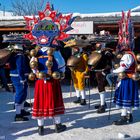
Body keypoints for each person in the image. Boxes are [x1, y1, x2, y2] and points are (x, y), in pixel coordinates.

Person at [30, 46, 67, 136]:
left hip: (40, 81)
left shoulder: (36, 52)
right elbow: (62, 65)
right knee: (55, 101)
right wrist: (61, 73)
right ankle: (58, 126)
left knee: (40, 102)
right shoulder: (55, 52)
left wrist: (38, 74)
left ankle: (40, 128)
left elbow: (33, 67)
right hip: (53, 81)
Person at [112, 45, 139, 125]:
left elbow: (123, 68)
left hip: (127, 79)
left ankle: (124, 117)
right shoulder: (131, 54)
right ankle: (129, 116)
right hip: (130, 79)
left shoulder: (127, 55)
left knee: (125, 97)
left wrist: (113, 71)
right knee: (128, 98)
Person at [9, 44, 30, 121]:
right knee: (20, 94)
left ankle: (21, 110)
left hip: (16, 76)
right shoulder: (19, 56)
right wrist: (22, 78)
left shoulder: (14, 55)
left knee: (23, 93)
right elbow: (20, 68)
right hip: (18, 77)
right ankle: (18, 114)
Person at [93, 43, 113, 113]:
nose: (97, 46)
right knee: (99, 87)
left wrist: (104, 72)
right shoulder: (97, 52)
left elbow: (109, 63)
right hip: (98, 72)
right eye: (97, 45)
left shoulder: (107, 53)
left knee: (101, 87)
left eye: (99, 45)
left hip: (103, 72)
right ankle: (103, 103)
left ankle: (103, 106)